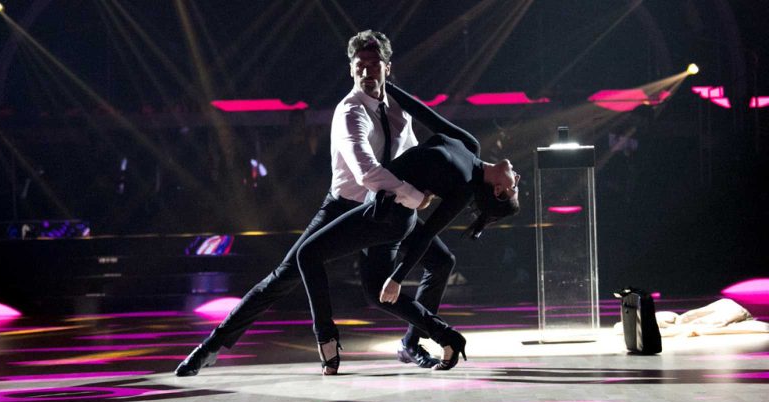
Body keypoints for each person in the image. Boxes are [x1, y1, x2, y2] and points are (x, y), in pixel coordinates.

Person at [175, 30, 455, 376]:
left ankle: (411, 343)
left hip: (387, 210)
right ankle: (211, 346)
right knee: (282, 279)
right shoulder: (350, 111)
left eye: (374, 64)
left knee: (440, 261)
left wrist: (427, 188)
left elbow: (412, 154)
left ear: (388, 67)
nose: (367, 72)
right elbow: (367, 171)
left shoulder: (399, 108)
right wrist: (414, 195)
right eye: (360, 65)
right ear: (351, 70)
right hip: (346, 207)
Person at [296, 80, 520, 374]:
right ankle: (444, 337)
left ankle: (326, 339)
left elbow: (428, 234)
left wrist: (399, 276)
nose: (516, 174)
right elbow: (422, 112)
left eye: (515, 184)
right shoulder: (471, 146)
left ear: (499, 190)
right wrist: (386, 85)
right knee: (379, 288)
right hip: (386, 210)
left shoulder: (464, 188)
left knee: (308, 255)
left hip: (390, 219)